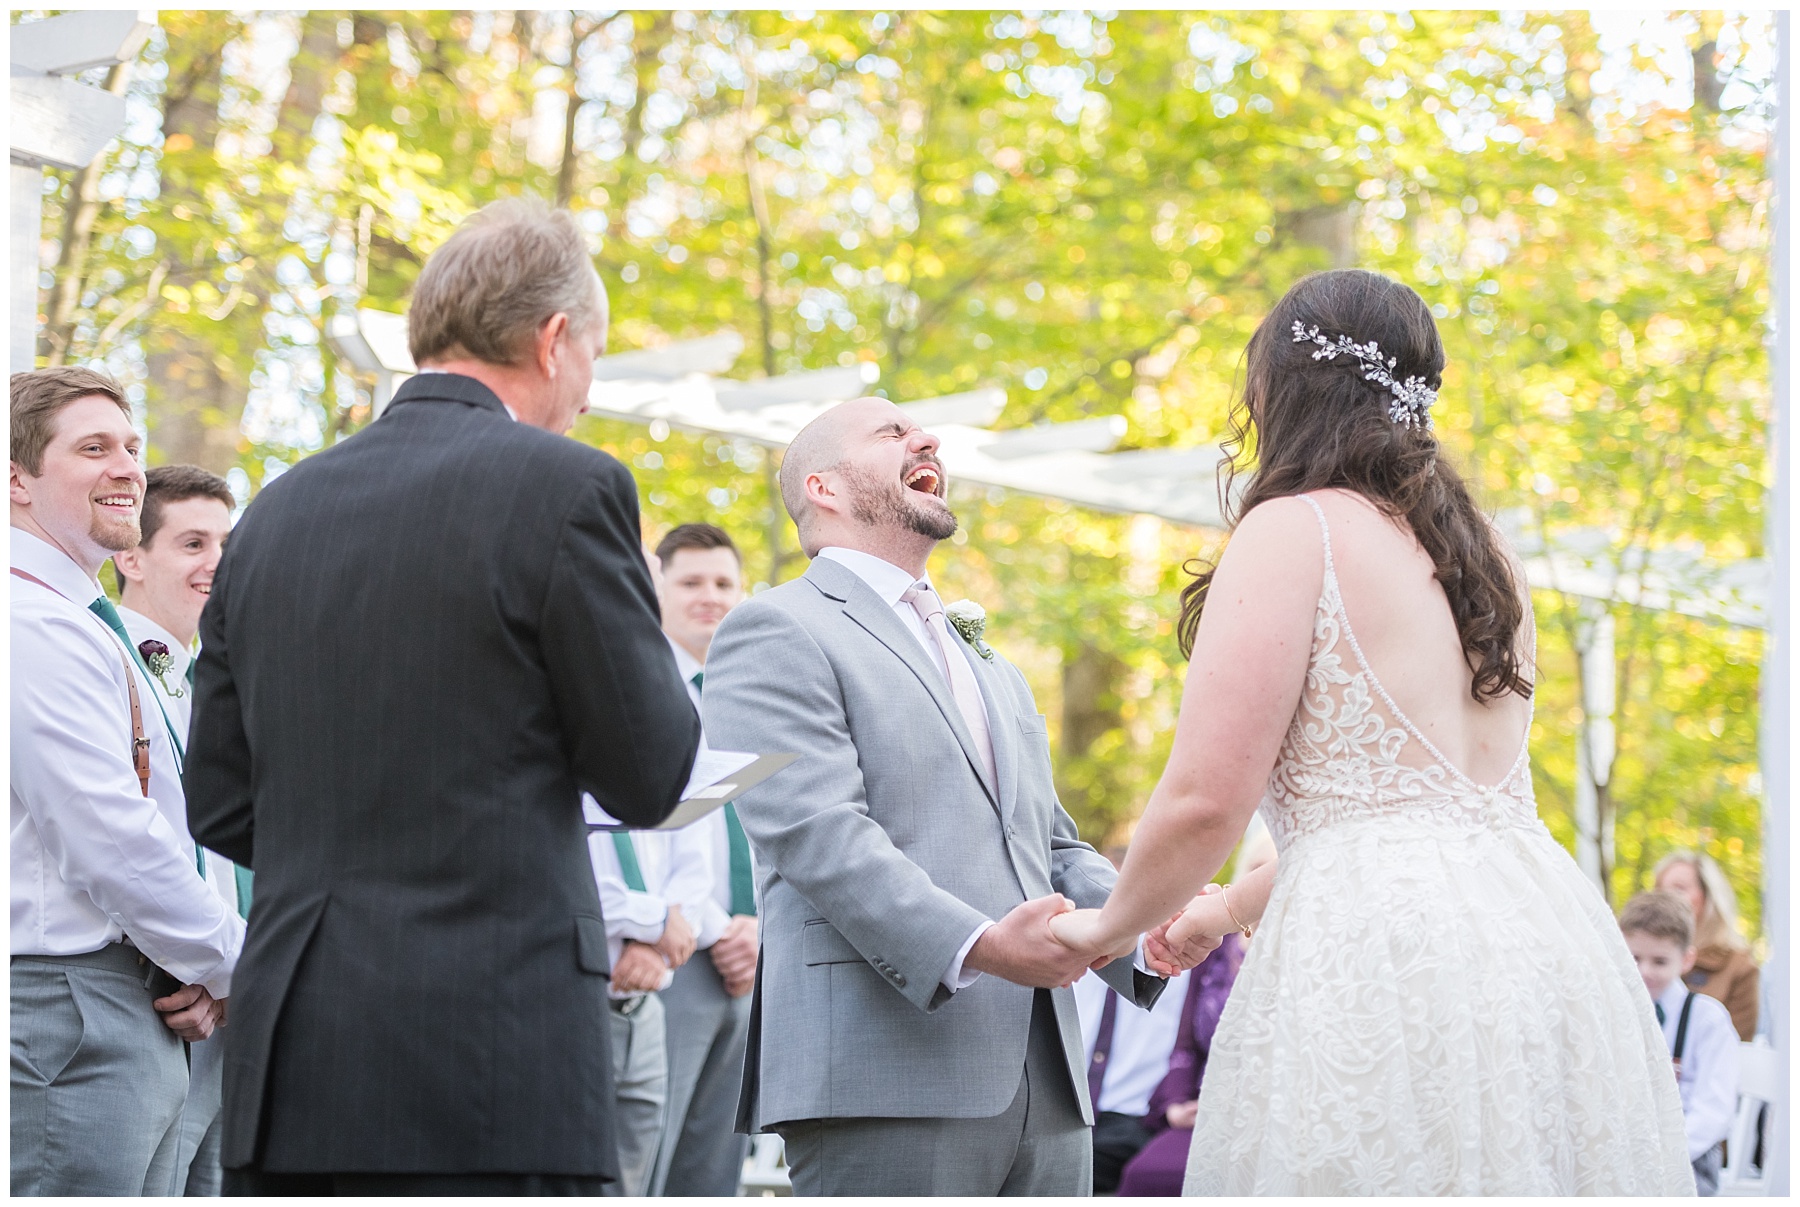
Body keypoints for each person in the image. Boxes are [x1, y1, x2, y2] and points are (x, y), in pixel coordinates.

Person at [1048, 269, 1694, 1194]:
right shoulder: (1488, 554)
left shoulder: (1295, 527)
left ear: (1280, 386)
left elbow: (1205, 801)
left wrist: (1108, 926)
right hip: (1549, 943)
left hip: (1382, 966)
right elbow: (1411, 819)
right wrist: (1221, 913)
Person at [184, 198, 702, 1195]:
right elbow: (650, 773)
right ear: (554, 341)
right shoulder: (571, 490)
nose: (588, 395)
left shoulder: (272, 514)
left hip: (298, 1056)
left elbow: (222, 802)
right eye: (592, 357)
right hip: (494, 1055)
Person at [701, 397, 1181, 1198]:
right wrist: (986, 945)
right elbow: (821, 837)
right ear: (823, 487)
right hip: (885, 1074)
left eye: (922, 430)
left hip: (1050, 1084)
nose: (926, 438)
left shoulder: (987, 658)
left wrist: (1147, 925)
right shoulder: (770, 629)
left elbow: (1051, 845)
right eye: (891, 431)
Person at [11, 367, 242, 1196]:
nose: (127, 469)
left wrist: (202, 970)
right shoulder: (28, 621)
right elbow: (110, 836)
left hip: (137, 994)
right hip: (65, 1011)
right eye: (94, 447)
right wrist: (234, 964)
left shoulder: (77, 622)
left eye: (133, 447)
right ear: (16, 477)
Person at [111, 463, 245, 1196]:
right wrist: (213, 970)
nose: (217, 563)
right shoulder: (106, 660)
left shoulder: (209, 680)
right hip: (160, 1000)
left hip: (227, 1007)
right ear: (131, 556)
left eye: (227, 543)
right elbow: (130, 842)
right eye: (193, 542)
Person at [645, 523, 760, 1198]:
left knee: (716, 1174)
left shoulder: (750, 694)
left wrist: (755, 928)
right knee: (649, 1161)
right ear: (657, 588)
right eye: (690, 582)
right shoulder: (637, 687)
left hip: (750, 960)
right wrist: (720, 927)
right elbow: (650, 830)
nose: (709, 597)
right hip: (674, 950)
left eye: (723, 583)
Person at [1115, 818, 1272, 1197]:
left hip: (1275, 1113)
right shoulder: (1216, 953)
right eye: (1254, 870)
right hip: (1207, 1110)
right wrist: (1176, 1105)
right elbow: (1184, 1045)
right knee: (1145, 1175)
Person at [583, 812, 707, 1196]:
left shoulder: (654, 774)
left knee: (631, 1188)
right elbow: (568, 883)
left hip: (646, 1008)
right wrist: (653, 921)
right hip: (582, 1005)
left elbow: (696, 877)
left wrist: (657, 948)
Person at [1621, 891, 1740, 1195]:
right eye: (1634, 958)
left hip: (1687, 1161)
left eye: (1659, 961)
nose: (1643, 972)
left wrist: (1664, 1157)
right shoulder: (1613, 1014)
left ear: (1686, 959)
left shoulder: (1707, 1019)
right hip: (1624, 1156)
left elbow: (1713, 1111)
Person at [1655, 850, 1761, 1040]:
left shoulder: (1739, 968)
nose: (1666, 898)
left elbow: (1738, 1047)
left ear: (1708, 896)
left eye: (1679, 888)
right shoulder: (1640, 960)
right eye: (1660, 889)